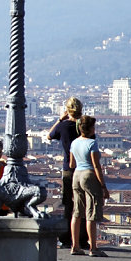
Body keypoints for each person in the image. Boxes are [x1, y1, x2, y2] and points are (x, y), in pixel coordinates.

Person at [48, 97, 87, 248]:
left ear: (67, 110)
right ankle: (82, 238)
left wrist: (59, 119)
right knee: (82, 204)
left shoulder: (63, 126)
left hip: (68, 169)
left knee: (68, 205)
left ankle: (66, 238)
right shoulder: (84, 126)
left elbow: (50, 135)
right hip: (83, 167)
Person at [68, 115, 109, 257]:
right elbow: (97, 166)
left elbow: (71, 164)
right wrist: (103, 186)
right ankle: (93, 248)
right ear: (91, 128)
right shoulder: (92, 143)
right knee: (91, 212)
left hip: (76, 175)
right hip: (89, 175)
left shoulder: (74, 143)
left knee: (77, 212)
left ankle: (75, 246)